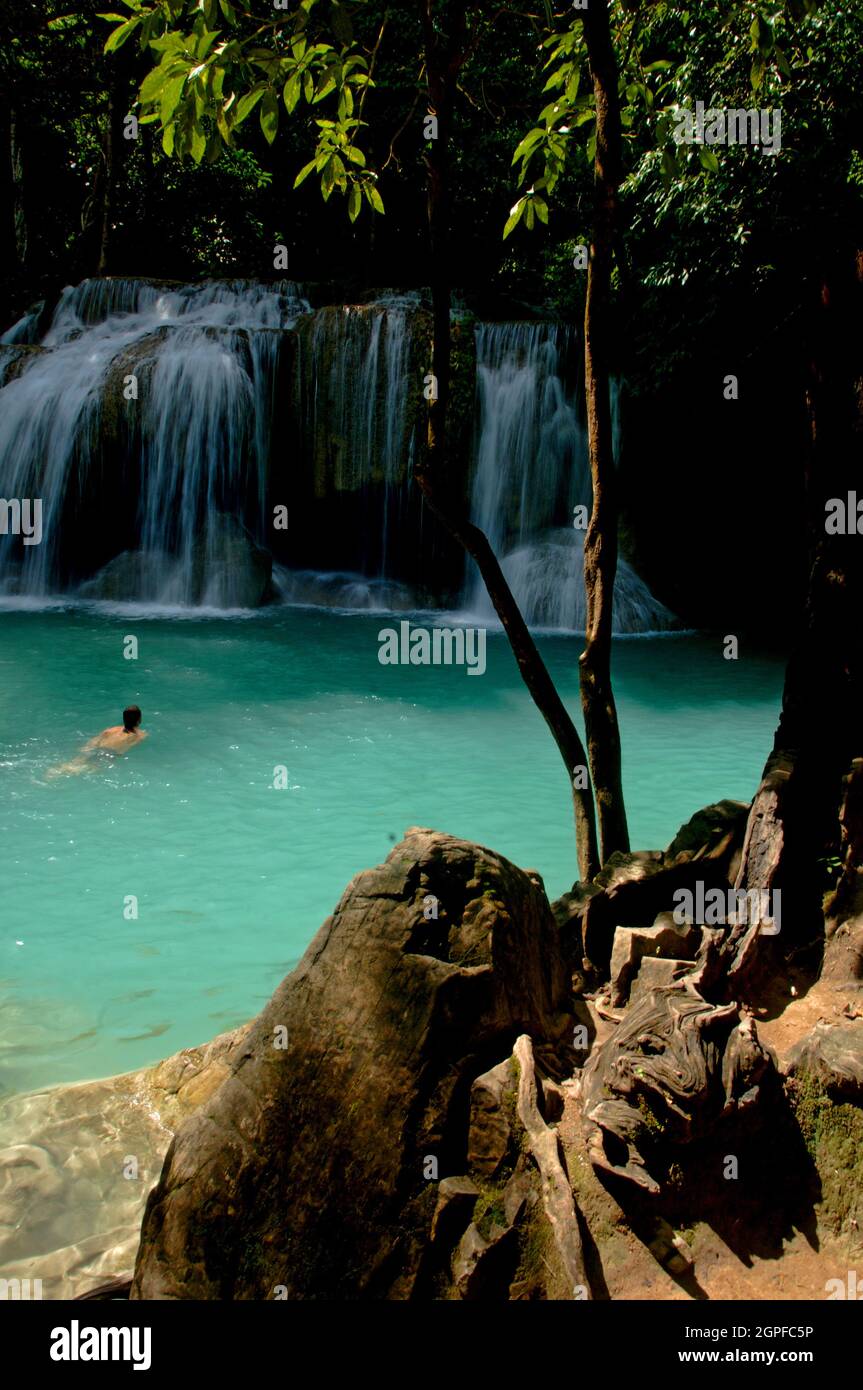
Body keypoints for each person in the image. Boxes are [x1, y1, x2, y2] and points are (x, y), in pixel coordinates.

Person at [47, 706, 148, 777]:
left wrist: (86, 748)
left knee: (75, 762)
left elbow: (94, 741)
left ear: (123, 718)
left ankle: (54, 772)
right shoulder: (140, 735)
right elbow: (130, 746)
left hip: (97, 748)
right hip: (110, 754)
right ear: (139, 719)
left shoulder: (111, 730)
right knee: (87, 769)